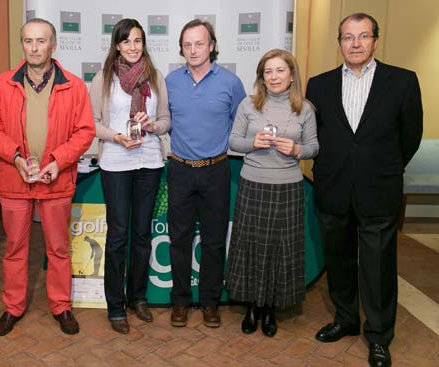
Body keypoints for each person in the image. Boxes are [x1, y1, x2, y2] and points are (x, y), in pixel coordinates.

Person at [305, 13, 422, 367]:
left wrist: (383, 166)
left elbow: (410, 136)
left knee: (378, 265)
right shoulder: (319, 84)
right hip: (334, 186)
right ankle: (345, 319)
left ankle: (379, 335)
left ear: (375, 40)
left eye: (363, 36)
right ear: (339, 42)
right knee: (338, 259)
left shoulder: (402, 81)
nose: (355, 44)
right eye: (348, 37)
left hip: (379, 188)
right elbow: (317, 134)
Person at [0, 18, 95, 336]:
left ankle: (61, 306)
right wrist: (16, 157)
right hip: (14, 179)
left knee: (58, 249)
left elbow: (84, 131)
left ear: (53, 45)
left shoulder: (74, 85)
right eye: (28, 41)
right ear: (23, 45)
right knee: (14, 249)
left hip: (56, 180)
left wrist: (59, 161)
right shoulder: (3, 84)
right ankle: (13, 307)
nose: (34, 47)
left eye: (41, 41)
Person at [226, 49, 319, 337]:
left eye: (280, 70)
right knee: (251, 247)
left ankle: (270, 310)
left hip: (288, 188)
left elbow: (314, 147)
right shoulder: (248, 105)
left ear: (292, 76)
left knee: (280, 250)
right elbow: (232, 142)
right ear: (261, 78)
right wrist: (252, 143)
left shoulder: (304, 108)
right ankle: (253, 305)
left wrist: (297, 150)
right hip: (253, 184)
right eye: (268, 72)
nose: (274, 76)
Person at [89, 18, 170, 334]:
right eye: (126, 41)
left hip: (149, 162)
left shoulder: (155, 77)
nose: (133, 47)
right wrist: (116, 137)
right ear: (117, 45)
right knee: (119, 235)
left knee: (141, 234)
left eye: (138, 41)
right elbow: (92, 122)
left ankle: (138, 297)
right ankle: (115, 305)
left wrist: (152, 126)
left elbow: (165, 120)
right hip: (116, 162)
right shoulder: (104, 78)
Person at [165, 19, 246, 328]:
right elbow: (162, 120)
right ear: (181, 48)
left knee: (213, 241)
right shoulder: (170, 81)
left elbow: (240, 124)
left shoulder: (230, 82)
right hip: (180, 170)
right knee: (179, 239)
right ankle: (181, 302)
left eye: (199, 43)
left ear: (212, 45)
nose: (193, 50)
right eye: (187, 44)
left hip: (216, 171)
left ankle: (210, 302)